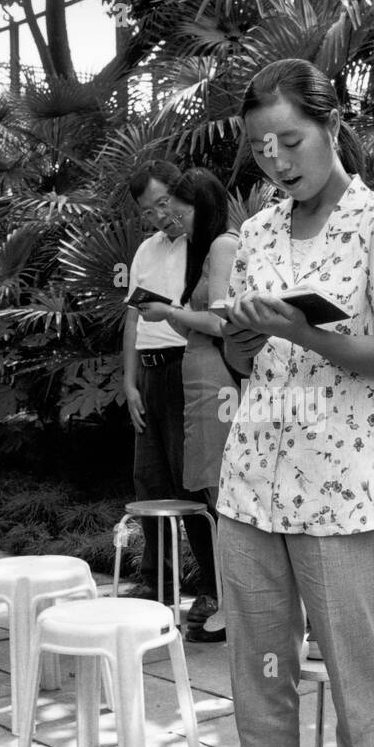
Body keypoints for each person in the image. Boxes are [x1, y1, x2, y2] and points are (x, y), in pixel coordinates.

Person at [219, 58, 374, 747]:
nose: (275, 160)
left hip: (343, 490)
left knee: (362, 692)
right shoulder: (258, 232)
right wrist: (239, 338)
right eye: (260, 148)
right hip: (249, 490)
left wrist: (299, 330)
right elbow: (249, 362)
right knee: (259, 684)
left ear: (333, 125)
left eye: (290, 141)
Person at [134, 166, 237, 642]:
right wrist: (166, 315)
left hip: (209, 381)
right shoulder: (195, 250)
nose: (167, 217)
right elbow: (194, 324)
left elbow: (222, 324)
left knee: (215, 492)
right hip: (194, 379)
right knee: (203, 487)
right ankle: (227, 598)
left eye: (176, 208)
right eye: (157, 210)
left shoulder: (221, 245)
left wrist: (171, 311)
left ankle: (231, 600)